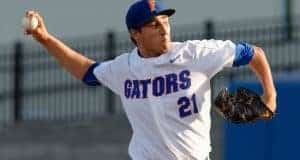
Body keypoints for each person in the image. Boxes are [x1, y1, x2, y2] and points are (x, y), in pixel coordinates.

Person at [24, 0, 276, 159]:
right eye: (154, 24)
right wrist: (44, 38)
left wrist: (270, 96)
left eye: (165, 20)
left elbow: (253, 53)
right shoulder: (125, 68)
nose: (164, 28)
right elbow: (88, 72)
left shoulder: (195, 55)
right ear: (135, 34)